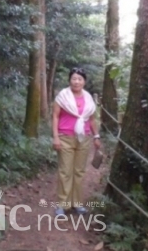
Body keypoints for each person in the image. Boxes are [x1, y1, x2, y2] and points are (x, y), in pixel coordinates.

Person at [52, 67, 101, 216]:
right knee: (65, 171)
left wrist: (96, 136)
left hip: (83, 138)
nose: (76, 82)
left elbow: (91, 119)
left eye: (80, 79)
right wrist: (55, 137)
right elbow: (55, 116)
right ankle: (62, 204)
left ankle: (77, 203)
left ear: (84, 81)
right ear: (69, 80)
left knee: (79, 171)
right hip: (65, 137)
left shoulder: (88, 98)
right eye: (74, 78)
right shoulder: (62, 96)